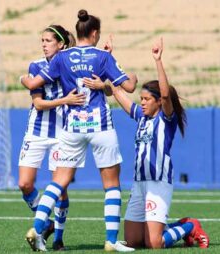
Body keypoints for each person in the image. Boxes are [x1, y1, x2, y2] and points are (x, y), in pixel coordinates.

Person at [20, 9, 137, 252]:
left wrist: (24, 78)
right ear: (95, 33)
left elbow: (34, 84)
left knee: (58, 181)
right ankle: (111, 241)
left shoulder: (62, 57)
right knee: (111, 184)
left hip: (72, 126)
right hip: (100, 125)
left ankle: (37, 226)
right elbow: (130, 85)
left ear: (78, 32)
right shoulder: (102, 56)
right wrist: (116, 72)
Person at [102, 38, 209, 249]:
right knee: (133, 241)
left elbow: (166, 93)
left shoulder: (165, 119)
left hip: (158, 183)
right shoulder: (141, 117)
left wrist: (158, 60)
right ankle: (167, 228)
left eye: (146, 99)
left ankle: (189, 225)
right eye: (140, 99)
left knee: (154, 243)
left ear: (158, 102)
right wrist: (109, 58)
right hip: (139, 183)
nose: (141, 102)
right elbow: (117, 91)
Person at [18, 24, 85, 251]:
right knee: (25, 184)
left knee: (61, 188)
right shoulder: (36, 65)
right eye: (42, 41)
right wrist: (65, 100)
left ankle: (58, 239)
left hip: (61, 134)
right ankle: (46, 223)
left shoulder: (70, 65)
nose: (44, 45)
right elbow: (38, 103)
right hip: (36, 131)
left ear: (61, 44)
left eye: (48, 41)